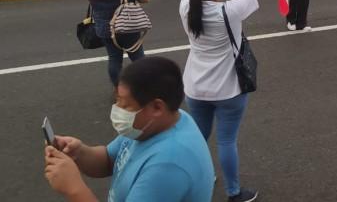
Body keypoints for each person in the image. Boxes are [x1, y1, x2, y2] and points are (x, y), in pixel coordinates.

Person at [43, 57, 214, 202]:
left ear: (157, 107)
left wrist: (74, 190)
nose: (117, 109)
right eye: (117, 101)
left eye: (125, 105)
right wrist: (79, 153)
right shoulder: (159, 123)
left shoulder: (168, 165)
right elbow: (110, 160)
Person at [180, 0, 277, 202]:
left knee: (199, 137)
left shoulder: (187, 8)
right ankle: (234, 193)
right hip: (228, 90)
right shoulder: (229, 11)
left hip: (194, 88)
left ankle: (199, 175)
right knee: (226, 141)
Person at [87, 0, 150, 86]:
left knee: (114, 59)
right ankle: (145, 85)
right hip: (126, 27)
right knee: (138, 58)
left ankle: (119, 89)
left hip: (104, 30)